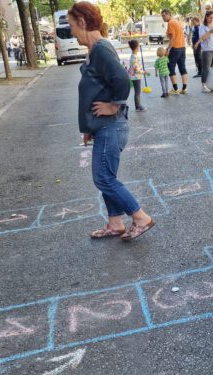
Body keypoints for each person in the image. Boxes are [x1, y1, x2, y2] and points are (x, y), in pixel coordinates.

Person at [68, 1, 155, 241]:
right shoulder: (96, 50)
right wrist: (89, 126)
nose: (72, 31)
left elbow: (121, 80)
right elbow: (95, 89)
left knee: (103, 178)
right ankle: (115, 222)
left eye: (72, 25)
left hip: (111, 126)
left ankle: (140, 217)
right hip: (103, 127)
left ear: (83, 23)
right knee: (107, 176)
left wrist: (113, 105)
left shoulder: (101, 50)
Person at [194, 10, 213, 92]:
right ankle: (204, 85)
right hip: (207, 50)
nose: (212, 19)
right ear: (206, 17)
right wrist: (210, 31)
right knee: (206, 68)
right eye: (210, 18)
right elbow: (203, 38)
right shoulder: (202, 27)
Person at [162, 9, 189, 94]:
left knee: (170, 68)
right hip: (182, 47)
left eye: (164, 15)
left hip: (175, 48)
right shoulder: (176, 21)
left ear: (169, 15)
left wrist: (168, 49)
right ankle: (184, 89)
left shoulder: (170, 23)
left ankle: (175, 89)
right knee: (182, 67)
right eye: (162, 16)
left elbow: (172, 38)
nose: (163, 17)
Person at [126, 39, 146, 112]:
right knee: (137, 92)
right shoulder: (134, 57)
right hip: (136, 77)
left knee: (137, 92)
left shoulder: (133, 56)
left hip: (136, 76)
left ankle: (137, 106)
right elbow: (135, 69)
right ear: (137, 47)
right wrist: (143, 72)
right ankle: (138, 106)